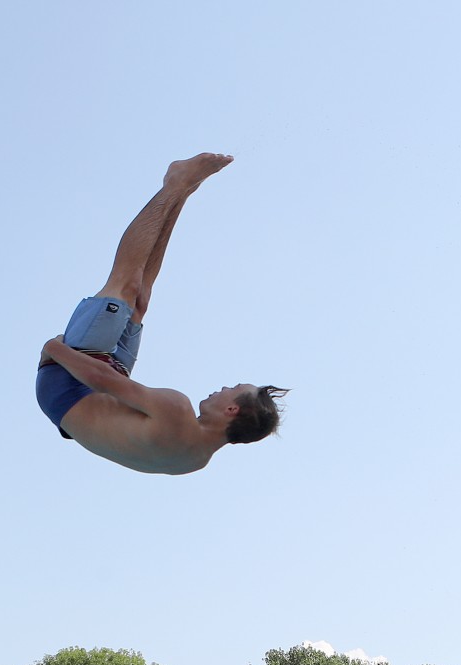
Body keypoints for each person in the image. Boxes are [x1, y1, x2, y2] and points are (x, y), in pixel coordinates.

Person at [36, 154, 288, 475]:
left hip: (69, 383)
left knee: (125, 283)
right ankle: (183, 193)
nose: (222, 388)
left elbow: (101, 378)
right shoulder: (195, 461)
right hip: (87, 403)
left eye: (232, 388)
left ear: (231, 408)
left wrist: (52, 350)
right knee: (141, 298)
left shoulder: (176, 409)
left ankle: (176, 184)